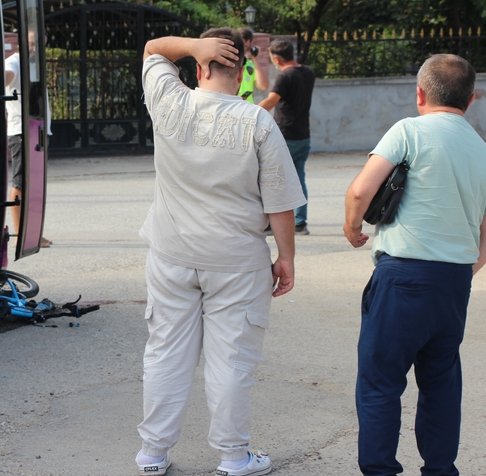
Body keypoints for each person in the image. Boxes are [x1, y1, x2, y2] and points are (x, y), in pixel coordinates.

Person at [136, 28, 306, 476]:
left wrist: (190, 45)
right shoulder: (257, 121)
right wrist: (286, 257)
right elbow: (279, 202)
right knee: (231, 358)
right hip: (236, 260)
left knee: (166, 351)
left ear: (199, 66)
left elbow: (153, 50)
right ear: (244, 69)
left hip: (172, 253)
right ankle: (233, 457)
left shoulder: (170, 102)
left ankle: (153, 453)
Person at [343, 54, 486, 476]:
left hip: (402, 278)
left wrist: (351, 227)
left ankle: (380, 470)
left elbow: (361, 191)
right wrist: (463, 271)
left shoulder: (408, 131)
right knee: (441, 383)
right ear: (470, 99)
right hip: (453, 282)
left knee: (380, 383)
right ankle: (440, 469)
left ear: (420, 94)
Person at [258, 39, 314, 235]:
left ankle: (270, 223)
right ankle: (300, 222)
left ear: (277, 58)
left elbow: (271, 100)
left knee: (273, 179)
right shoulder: (308, 72)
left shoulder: (285, 77)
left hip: (285, 136)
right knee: (298, 178)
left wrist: (249, 113)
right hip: (303, 135)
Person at [5, 29, 53, 248]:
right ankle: (19, 236)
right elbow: (7, 75)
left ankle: (32, 233)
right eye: (32, 44)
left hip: (38, 131)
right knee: (20, 182)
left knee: (33, 185)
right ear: (22, 43)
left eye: (39, 44)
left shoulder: (35, 66)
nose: (35, 49)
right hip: (21, 133)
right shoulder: (14, 62)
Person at [237, 28, 269, 104]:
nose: (242, 49)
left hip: (247, 108)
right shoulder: (227, 63)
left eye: (245, 46)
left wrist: (255, 59)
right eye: (240, 45)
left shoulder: (250, 64)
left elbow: (263, 86)